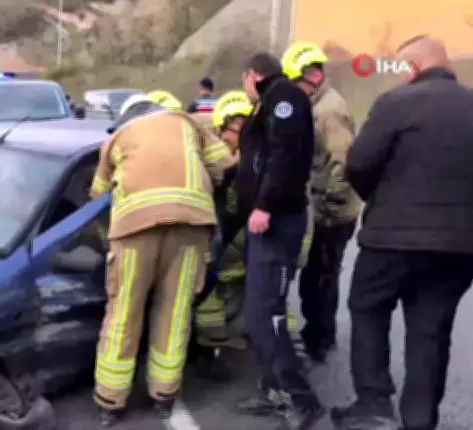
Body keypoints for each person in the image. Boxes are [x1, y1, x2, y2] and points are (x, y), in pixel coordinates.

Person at [331, 36, 473, 430]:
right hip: (460, 244)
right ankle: (420, 420)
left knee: (368, 307)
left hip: (391, 239)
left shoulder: (396, 103)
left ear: (411, 67)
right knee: (431, 330)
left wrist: (379, 199)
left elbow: (359, 163)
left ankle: (374, 403)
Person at [90, 93, 236, 427]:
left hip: (135, 230)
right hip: (191, 226)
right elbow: (225, 164)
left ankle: (111, 401)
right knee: (175, 309)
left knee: (124, 312)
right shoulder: (187, 124)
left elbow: (97, 196)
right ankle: (164, 394)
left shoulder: (116, 139)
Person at [222, 53, 322, 430]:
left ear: (252, 74)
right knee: (257, 316)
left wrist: (264, 205)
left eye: (244, 80)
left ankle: (301, 400)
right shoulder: (268, 101)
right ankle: (274, 391)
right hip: (264, 224)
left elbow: (285, 156)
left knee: (268, 315)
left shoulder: (284, 98)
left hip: (278, 222)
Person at [280, 42, 361, 363]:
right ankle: (319, 332)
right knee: (318, 275)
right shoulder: (315, 104)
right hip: (323, 204)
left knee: (321, 277)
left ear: (311, 76)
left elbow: (343, 163)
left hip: (332, 211)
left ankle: (320, 338)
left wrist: (329, 204)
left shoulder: (329, 111)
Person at [191, 91, 254, 378]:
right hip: (208, 231)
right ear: (220, 128)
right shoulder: (209, 153)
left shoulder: (251, 157)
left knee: (220, 288)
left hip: (231, 236)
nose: (241, 137)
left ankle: (210, 348)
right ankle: (204, 348)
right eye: (236, 130)